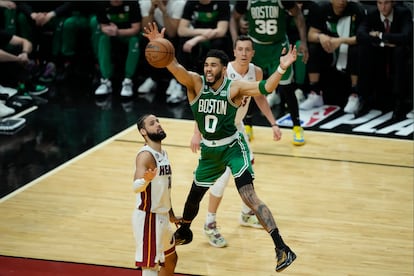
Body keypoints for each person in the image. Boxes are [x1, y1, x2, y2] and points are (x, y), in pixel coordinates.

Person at [144, 22, 297, 272]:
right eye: (206, 65)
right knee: (194, 196)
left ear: (224, 70)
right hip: (209, 151)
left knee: (248, 194)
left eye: (213, 65)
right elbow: (173, 65)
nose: (208, 69)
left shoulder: (233, 88)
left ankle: (281, 247)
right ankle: (185, 230)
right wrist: (158, 46)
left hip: (233, 147)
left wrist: (282, 66)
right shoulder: (195, 83)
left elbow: (266, 88)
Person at [190, 35, 283, 248]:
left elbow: (260, 97)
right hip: (216, 132)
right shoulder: (223, 72)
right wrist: (196, 132)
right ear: (234, 52)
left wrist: (273, 123)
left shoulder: (256, 72)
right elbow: (204, 102)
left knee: (247, 169)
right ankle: (209, 223)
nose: (243, 53)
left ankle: (245, 213)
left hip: (236, 129)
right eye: (239, 49)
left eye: (247, 50)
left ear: (252, 53)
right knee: (222, 178)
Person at [230, 0, 308, 146]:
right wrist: (236, 41)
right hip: (255, 48)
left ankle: (297, 126)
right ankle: (248, 125)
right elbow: (233, 17)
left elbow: (298, 14)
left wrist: (303, 41)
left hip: (279, 47)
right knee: (250, 88)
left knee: (286, 87)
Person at [132, 113, 181, 276]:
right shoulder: (145, 155)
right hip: (149, 218)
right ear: (143, 132)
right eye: (152, 123)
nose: (158, 124)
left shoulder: (163, 154)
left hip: (163, 216)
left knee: (171, 260)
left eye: (158, 121)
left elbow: (165, 188)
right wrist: (145, 180)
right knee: (150, 268)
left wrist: (171, 215)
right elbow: (136, 187)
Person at [301, 0, 365, 115]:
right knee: (313, 47)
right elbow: (310, 35)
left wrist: (341, 41)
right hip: (329, 50)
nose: (341, 2)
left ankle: (355, 94)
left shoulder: (356, 9)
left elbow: (362, 38)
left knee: (357, 49)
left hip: (347, 48)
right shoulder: (320, 8)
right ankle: (315, 93)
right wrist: (321, 37)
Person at [356, 0, 413, 119]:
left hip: (399, 52)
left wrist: (381, 35)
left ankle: (399, 102)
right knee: (364, 50)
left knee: (400, 51)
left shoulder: (403, 13)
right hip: (380, 50)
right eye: (380, 3)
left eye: (386, 3)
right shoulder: (372, 14)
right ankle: (364, 98)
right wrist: (382, 42)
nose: (383, 7)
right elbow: (360, 34)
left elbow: (406, 36)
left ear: (393, 3)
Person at [137, 0, 186, 104]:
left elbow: (172, 32)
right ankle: (153, 77)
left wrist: (164, 12)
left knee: (173, 41)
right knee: (145, 39)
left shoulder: (179, 3)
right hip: (157, 33)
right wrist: (151, 12)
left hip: (173, 34)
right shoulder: (145, 3)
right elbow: (146, 30)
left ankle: (175, 80)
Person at [94, 0, 141, 97]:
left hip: (128, 35)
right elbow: (103, 26)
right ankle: (105, 80)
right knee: (103, 39)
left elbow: (136, 29)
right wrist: (109, 30)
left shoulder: (133, 3)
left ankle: (128, 80)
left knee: (134, 41)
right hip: (111, 35)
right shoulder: (101, 4)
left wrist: (118, 32)